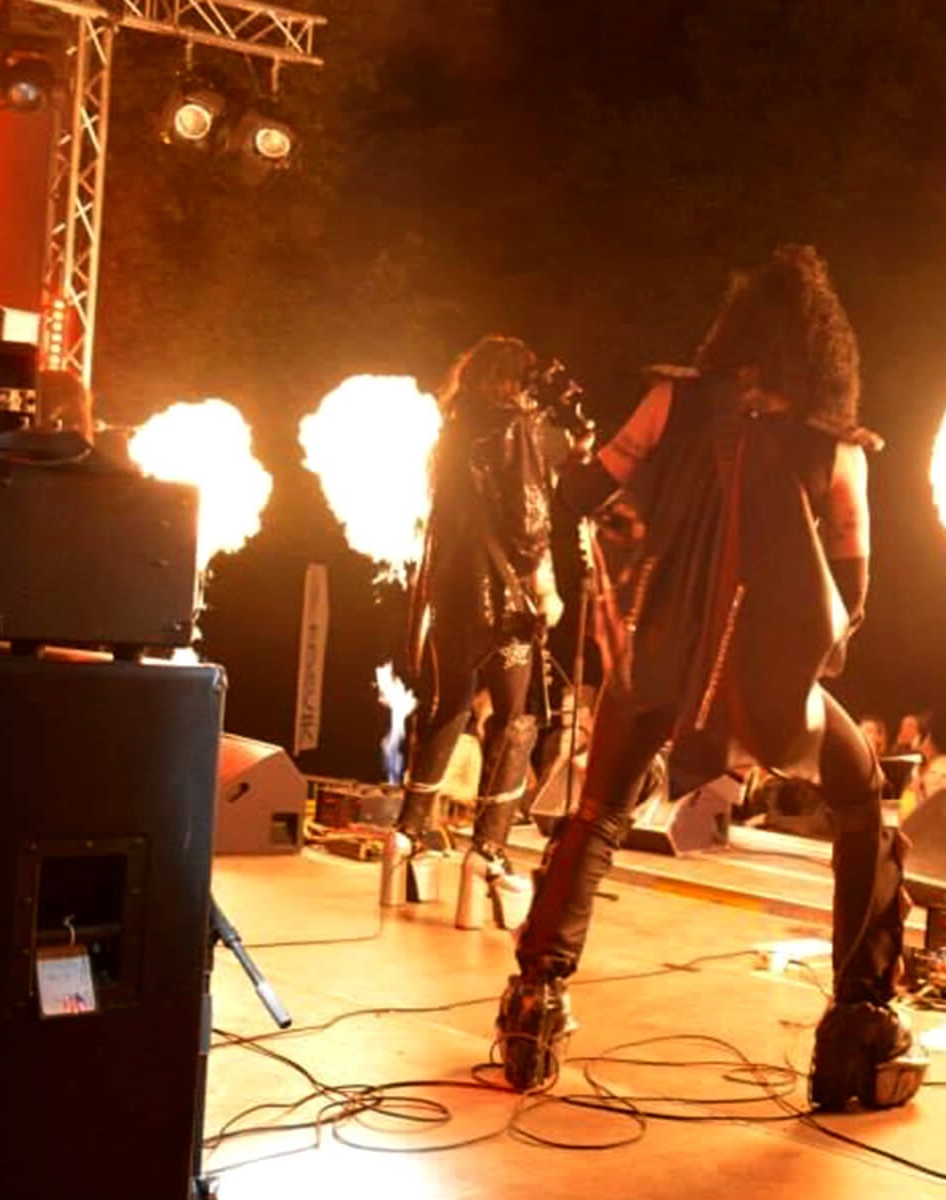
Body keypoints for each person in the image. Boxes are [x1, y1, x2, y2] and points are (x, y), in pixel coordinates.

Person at [499, 247, 917, 1111]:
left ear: (733, 334)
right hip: (770, 677)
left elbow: (578, 492)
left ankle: (536, 998)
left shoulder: (671, 400)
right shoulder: (841, 453)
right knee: (862, 798)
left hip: (656, 658)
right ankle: (857, 1022)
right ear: (829, 357)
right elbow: (853, 591)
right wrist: (777, 672)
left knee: (600, 807)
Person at [385, 336, 568, 931]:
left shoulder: (450, 432)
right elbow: (530, 518)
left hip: (449, 598)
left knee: (446, 709)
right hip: (504, 606)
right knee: (516, 721)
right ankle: (485, 853)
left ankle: (407, 836)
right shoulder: (516, 430)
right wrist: (546, 587)